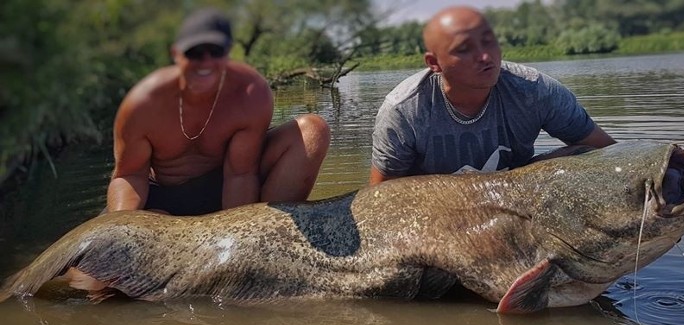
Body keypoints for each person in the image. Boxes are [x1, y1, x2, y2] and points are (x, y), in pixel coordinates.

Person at [107, 8, 330, 215]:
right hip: (161, 195)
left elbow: (240, 174)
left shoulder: (251, 93)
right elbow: (129, 175)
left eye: (215, 51)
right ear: (176, 53)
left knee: (313, 130)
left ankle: (268, 227)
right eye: (194, 52)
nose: (205, 62)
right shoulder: (143, 103)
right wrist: (123, 227)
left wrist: (237, 231)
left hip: (225, 184)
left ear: (228, 53)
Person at [370, 6, 615, 184]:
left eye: (489, 42)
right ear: (434, 62)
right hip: (437, 214)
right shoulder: (404, 111)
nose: (485, 57)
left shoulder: (534, 90)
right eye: (464, 49)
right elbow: (381, 199)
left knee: (579, 154)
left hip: (513, 199)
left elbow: (608, 153)